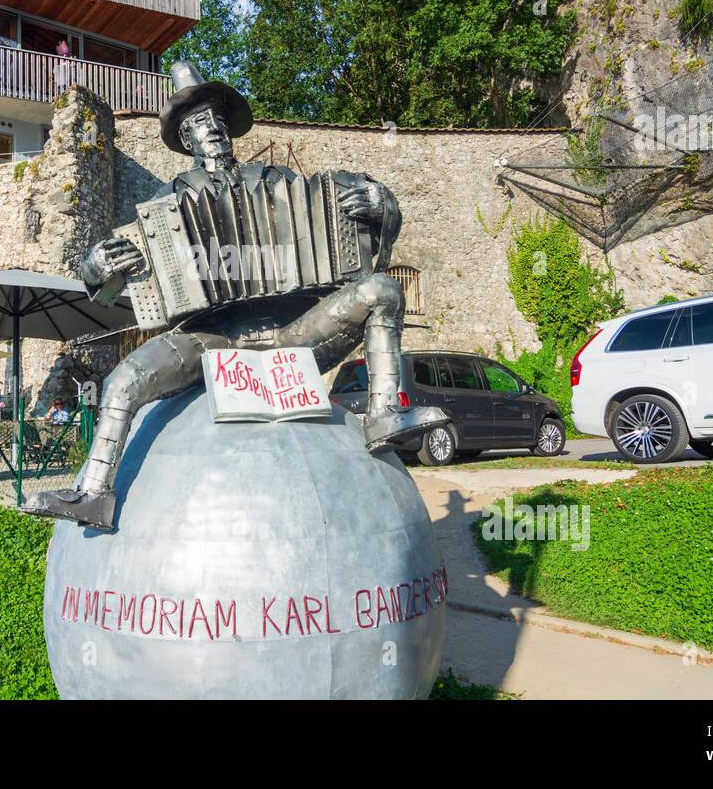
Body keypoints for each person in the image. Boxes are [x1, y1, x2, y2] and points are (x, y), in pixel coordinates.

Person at [23, 60, 446, 530]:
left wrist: (382, 206)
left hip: (295, 331)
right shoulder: (166, 203)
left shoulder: (278, 183)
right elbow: (107, 286)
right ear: (186, 139)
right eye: (201, 123)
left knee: (382, 289)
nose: (214, 130)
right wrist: (96, 265)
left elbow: (366, 231)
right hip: (212, 337)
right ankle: (93, 494)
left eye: (219, 120)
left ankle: (385, 414)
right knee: (124, 380)